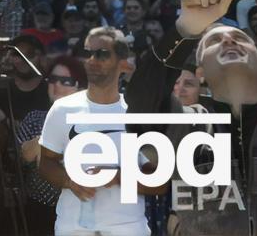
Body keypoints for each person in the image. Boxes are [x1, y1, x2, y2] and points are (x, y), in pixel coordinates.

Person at [125, 0, 257, 235]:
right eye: (213, 41)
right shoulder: (188, 125)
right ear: (201, 72)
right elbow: (142, 101)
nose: (229, 41)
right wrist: (185, 30)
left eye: (241, 39)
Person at [39, 27, 160, 236]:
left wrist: (117, 177)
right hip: (72, 229)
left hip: (128, 229)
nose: (92, 60)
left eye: (102, 54)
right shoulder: (62, 109)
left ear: (124, 63)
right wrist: (70, 181)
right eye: (87, 53)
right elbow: (46, 163)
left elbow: (160, 183)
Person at [15, 55, 86, 236]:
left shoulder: (93, 122)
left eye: (66, 81)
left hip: (82, 210)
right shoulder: (35, 118)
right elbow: (22, 157)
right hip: (39, 211)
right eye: (53, 79)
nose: (57, 86)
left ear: (81, 87)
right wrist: (52, 130)